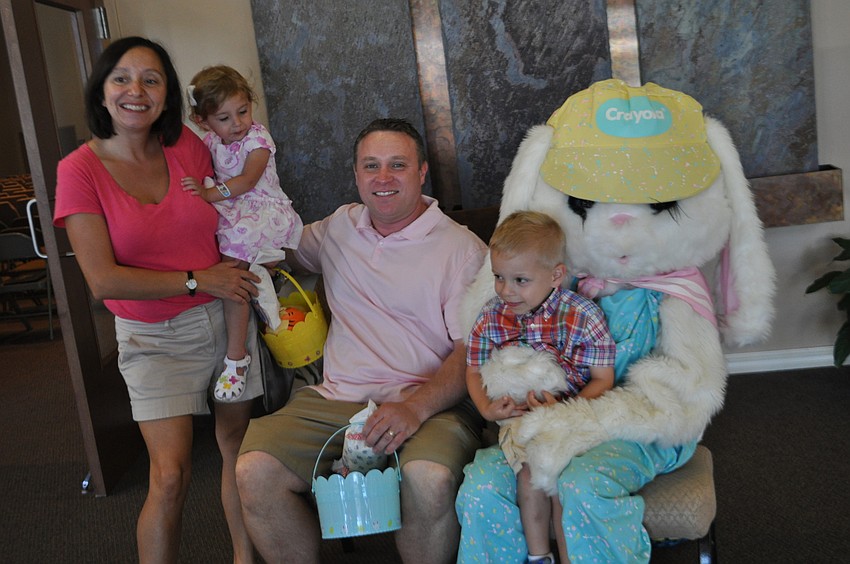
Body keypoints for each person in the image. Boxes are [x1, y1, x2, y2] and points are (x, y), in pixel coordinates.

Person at [235, 118, 487, 563]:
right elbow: (280, 250)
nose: (383, 178)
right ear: (355, 174)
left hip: (427, 401)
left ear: (422, 171)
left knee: (428, 478)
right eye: (371, 165)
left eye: (398, 165)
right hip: (337, 397)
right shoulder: (339, 227)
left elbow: (472, 353)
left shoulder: (461, 250)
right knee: (254, 470)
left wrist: (414, 408)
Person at [53, 37, 262, 564]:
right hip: (154, 337)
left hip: (227, 319)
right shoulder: (79, 169)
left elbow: (243, 194)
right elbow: (102, 280)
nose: (136, 91)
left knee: (237, 454)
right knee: (170, 476)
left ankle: (244, 558)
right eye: (121, 78)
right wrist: (198, 280)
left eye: (151, 79)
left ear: (168, 95)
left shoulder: (188, 146)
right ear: (101, 92)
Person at [465, 211, 615, 564]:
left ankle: (569, 558)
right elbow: (473, 368)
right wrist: (486, 408)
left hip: (575, 414)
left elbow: (603, 379)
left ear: (556, 275)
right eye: (498, 277)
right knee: (531, 472)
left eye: (520, 280)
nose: (506, 290)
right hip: (521, 418)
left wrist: (563, 409)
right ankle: (538, 556)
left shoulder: (582, 315)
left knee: (564, 479)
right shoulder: (490, 316)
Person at [183, 65, 303, 402]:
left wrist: (209, 194)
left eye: (243, 111)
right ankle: (256, 276)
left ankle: (236, 357)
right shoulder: (208, 141)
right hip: (235, 210)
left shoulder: (257, 139)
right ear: (202, 121)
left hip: (261, 211)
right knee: (224, 264)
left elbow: (248, 180)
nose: (237, 123)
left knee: (231, 273)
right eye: (224, 117)